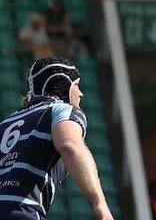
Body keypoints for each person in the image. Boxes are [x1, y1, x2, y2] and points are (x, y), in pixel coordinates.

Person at [0, 57, 114, 220]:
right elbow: (69, 145)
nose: (81, 93)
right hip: (23, 213)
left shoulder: (5, 123)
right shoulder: (62, 110)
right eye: (76, 85)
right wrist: (100, 203)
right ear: (63, 86)